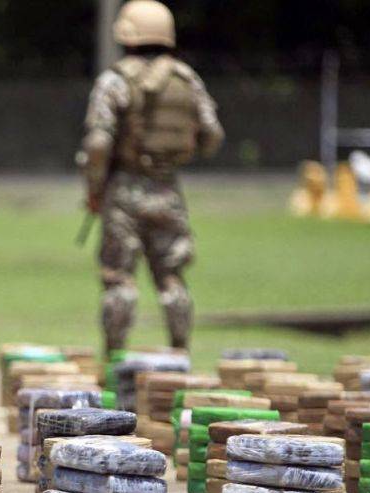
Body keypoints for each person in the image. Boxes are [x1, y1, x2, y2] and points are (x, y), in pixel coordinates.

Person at [77, 0, 224, 360]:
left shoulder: (114, 81)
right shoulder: (187, 80)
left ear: (127, 36)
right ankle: (180, 354)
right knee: (172, 277)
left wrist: (94, 189)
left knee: (119, 279)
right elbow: (213, 136)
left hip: (124, 191)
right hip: (168, 190)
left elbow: (98, 144)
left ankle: (114, 360)